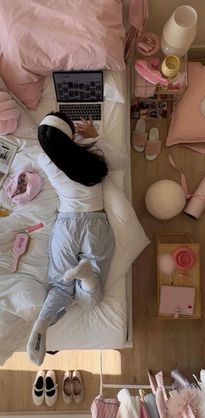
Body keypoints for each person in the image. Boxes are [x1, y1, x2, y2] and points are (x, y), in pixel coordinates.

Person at [27, 111, 127, 365]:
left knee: (60, 285)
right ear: (71, 135)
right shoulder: (90, 152)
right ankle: (87, 275)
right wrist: (95, 137)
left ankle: (44, 321)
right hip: (95, 222)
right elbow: (121, 162)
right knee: (90, 302)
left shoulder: (44, 158)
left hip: (66, 224)